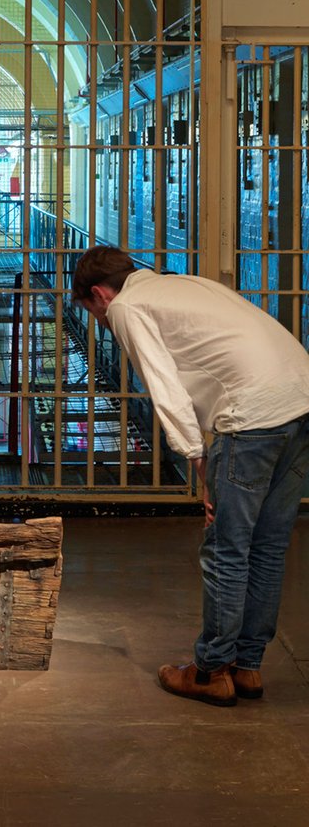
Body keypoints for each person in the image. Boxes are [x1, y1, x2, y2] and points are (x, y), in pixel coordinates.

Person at [72, 245, 309, 707]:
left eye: (90, 311)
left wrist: (198, 462)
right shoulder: (179, 283)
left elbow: (165, 389)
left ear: (100, 294)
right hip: (301, 400)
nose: (99, 321)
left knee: (226, 548)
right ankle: (247, 667)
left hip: (253, 416)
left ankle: (210, 670)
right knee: (268, 547)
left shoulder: (126, 307)